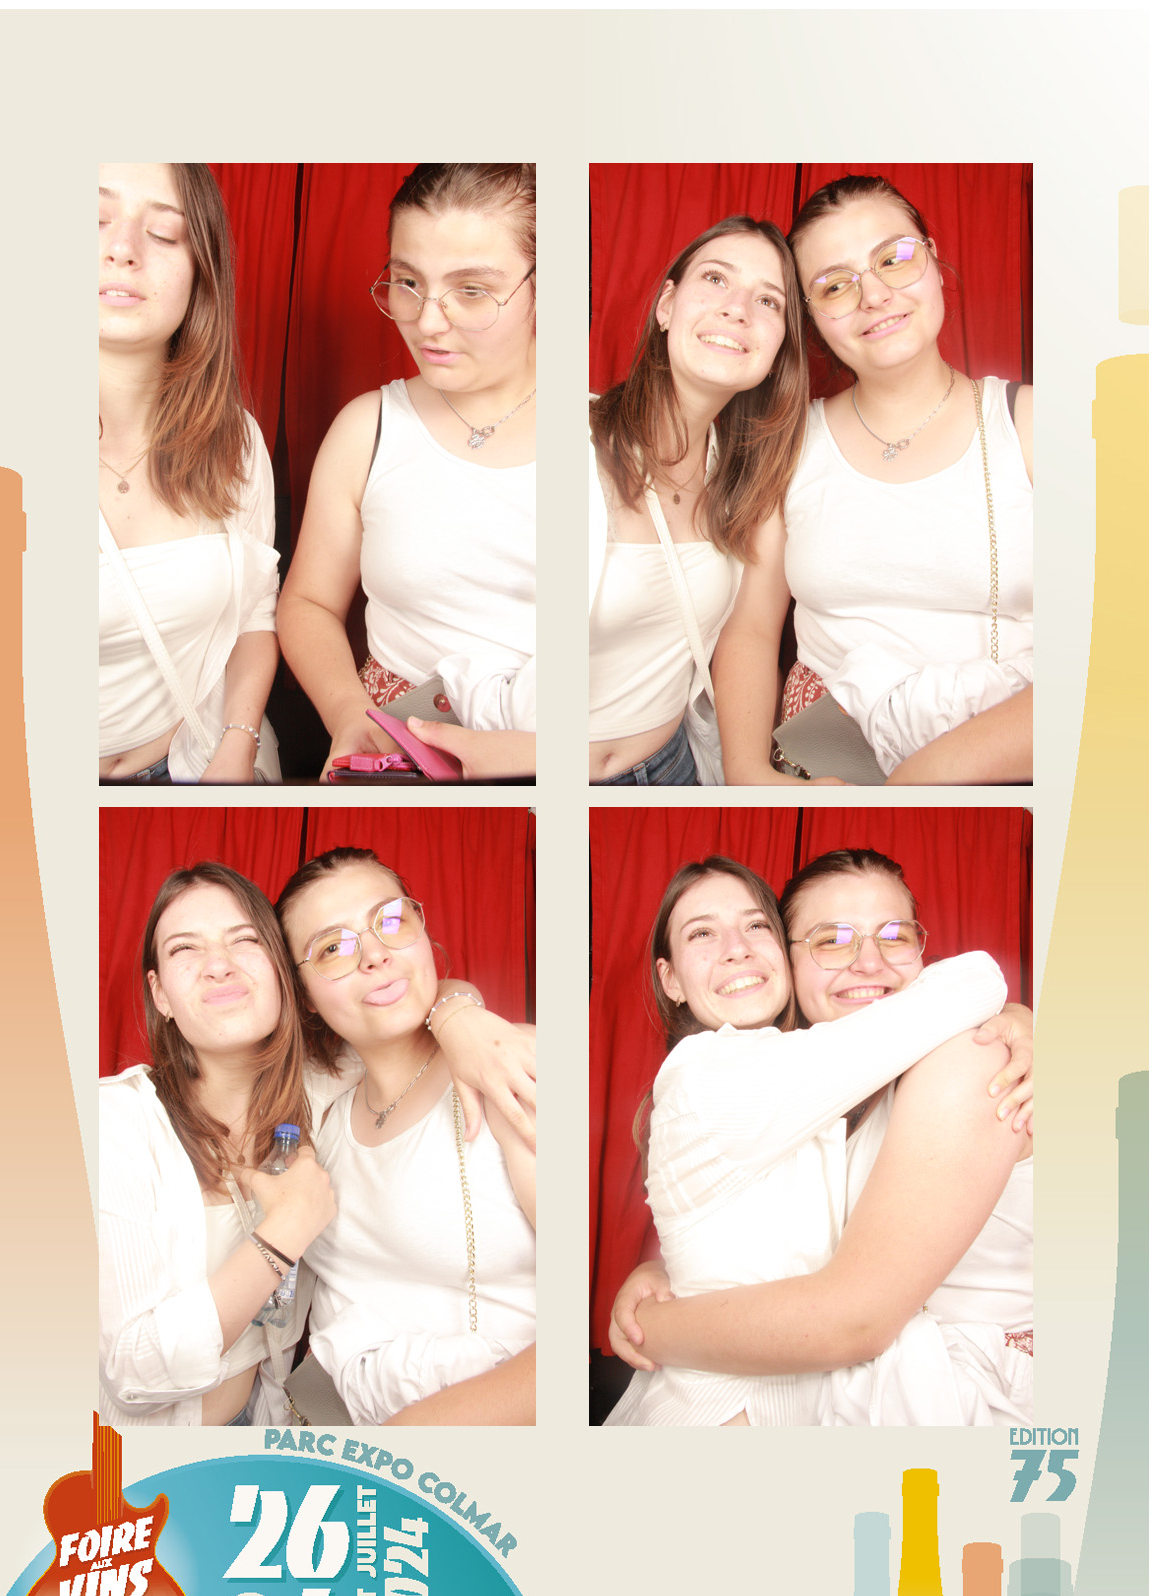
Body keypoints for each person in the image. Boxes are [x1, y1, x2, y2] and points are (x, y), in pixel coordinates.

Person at [604, 850, 1032, 1426]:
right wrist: (668, 1274)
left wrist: (657, 1322)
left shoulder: (964, 1060)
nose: (870, 962)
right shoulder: (743, 1076)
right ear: (791, 962)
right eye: (832, 940)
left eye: (895, 936)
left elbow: (850, 1311)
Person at [713, 176, 1033, 785]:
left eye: (894, 258)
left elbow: (1117, 653)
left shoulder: (1035, 425)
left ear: (934, 260)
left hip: (1007, 757)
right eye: (835, 285)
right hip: (828, 759)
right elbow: (750, 628)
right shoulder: (788, 443)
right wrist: (749, 774)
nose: (875, 295)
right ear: (810, 317)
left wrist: (922, 777)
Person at [278, 165, 536, 784]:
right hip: (398, 753)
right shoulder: (367, 429)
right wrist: (349, 713)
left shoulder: (613, 441)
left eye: (471, 290)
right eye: (408, 283)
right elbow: (308, 602)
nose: (428, 322)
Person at [276, 847, 536, 1425]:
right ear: (304, 996)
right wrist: (455, 1005)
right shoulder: (321, 1110)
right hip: (325, 1424)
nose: (375, 955)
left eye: (390, 920)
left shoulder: (508, 1068)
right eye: (332, 948)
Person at [99, 864, 335, 1426]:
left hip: (269, 1424)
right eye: (185, 948)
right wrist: (286, 1231)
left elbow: (411, 1025)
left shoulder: (323, 1096)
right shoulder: (114, 1120)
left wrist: (458, 1015)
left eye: (245, 939)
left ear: (282, 972)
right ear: (160, 994)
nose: (219, 964)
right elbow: (132, 1374)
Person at [589, 217, 810, 785]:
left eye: (768, 300)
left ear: (779, 347)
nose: (737, 309)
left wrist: (750, 772)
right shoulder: (559, 437)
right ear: (666, 306)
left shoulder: (753, 481)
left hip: (672, 772)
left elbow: (750, 634)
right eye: (715, 279)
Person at [99, 164, 280, 784]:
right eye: (92, 219)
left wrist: (236, 748)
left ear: (201, 273)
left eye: (164, 233)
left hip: (188, 765)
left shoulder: (235, 442)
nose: (122, 249)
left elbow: (255, 616)